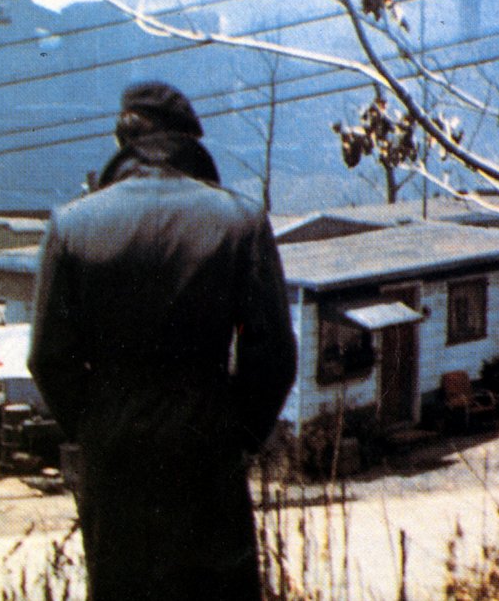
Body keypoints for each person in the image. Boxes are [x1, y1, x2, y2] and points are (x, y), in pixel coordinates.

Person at [28, 81, 297, 600]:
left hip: (116, 458)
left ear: (122, 141)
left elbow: (47, 357)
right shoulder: (240, 221)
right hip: (208, 450)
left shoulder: (71, 225)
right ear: (188, 142)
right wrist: (236, 433)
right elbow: (273, 357)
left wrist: (97, 425)